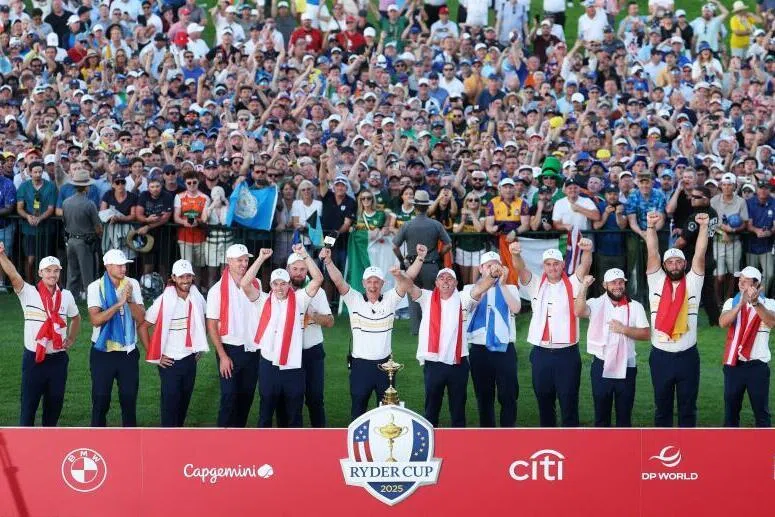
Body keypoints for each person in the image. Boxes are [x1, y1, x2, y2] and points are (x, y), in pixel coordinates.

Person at [394, 243, 501, 427]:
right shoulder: (427, 297)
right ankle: (430, 440)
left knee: (458, 409)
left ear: (456, 283)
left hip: (458, 362)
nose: (445, 281)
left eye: (449, 278)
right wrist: (399, 274)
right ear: (436, 283)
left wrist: (491, 275)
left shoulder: (463, 298)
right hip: (433, 362)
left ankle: (458, 442)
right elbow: (408, 285)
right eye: (441, 278)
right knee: (431, 408)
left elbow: (480, 288)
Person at [240, 244, 324, 427]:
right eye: (275, 284)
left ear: (289, 285)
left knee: (294, 414)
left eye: (283, 283)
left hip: (293, 366)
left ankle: (294, 446)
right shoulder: (262, 300)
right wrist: (260, 259)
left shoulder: (300, 299)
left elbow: (318, 279)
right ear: (270, 285)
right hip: (269, 364)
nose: (279, 288)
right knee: (265, 413)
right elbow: (245, 284)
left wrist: (304, 255)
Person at [515, 238, 593, 427]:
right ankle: (548, 439)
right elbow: (520, 269)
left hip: (567, 354)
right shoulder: (535, 283)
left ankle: (571, 439)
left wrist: (587, 250)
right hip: (541, 353)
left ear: (563, 265)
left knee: (569, 401)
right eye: (548, 264)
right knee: (544, 401)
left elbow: (584, 265)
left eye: (556, 263)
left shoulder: (573, 282)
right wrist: (515, 254)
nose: (552, 268)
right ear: (544, 266)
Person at [322, 253, 410, 419]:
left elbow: (406, 284)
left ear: (383, 283)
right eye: (369, 281)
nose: (373, 285)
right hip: (360, 366)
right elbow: (339, 281)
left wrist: (406, 270)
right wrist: (328, 261)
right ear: (363, 283)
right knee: (358, 408)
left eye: (376, 281)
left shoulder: (390, 299)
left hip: (386, 366)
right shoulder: (354, 299)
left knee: (387, 412)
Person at [0, 244, 80, 426]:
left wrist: (71, 338)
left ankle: (48, 441)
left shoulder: (66, 295)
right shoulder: (28, 292)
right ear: (40, 273)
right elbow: (13, 275)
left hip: (58, 360)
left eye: (56, 271)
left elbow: (76, 318)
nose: (52, 274)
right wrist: (1, 255)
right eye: (48, 271)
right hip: (34, 359)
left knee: (54, 407)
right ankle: (25, 442)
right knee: (28, 407)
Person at [644, 211, 710, 427]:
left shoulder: (693, 282)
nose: (674, 265)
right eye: (670, 262)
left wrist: (703, 227)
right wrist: (650, 226)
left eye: (678, 262)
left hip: (688, 357)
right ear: (664, 266)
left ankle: (687, 445)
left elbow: (700, 254)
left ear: (684, 264)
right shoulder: (656, 281)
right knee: (661, 408)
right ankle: (662, 446)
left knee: (688, 408)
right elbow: (652, 252)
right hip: (660, 356)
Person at [574, 268, 650, 427]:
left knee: (624, 416)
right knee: (601, 415)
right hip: (601, 364)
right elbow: (578, 311)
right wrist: (583, 287)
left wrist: (624, 329)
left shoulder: (635, 306)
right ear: (605, 285)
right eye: (613, 283)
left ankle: (624, 443)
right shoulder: (595, 303)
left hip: (627, 365)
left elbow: (645, 334)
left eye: (621, 282)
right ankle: (602, 443)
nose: (618, 286)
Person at [206, 244, 270, 428]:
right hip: (230, 349)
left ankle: (239, 435)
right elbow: (211, 325)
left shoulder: (256, 283)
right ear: (229, 261)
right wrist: (223, 356)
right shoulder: (216, 290)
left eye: (246, 260)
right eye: (239, 260)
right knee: (228, 396)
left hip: (253, 349)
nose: (244, 264)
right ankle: (222, 437)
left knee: (246, 396)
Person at [140, 259, 209, 427]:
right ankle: (167, 438)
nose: (186, 280)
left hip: (190, 359)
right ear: (173, 277)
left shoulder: (197, 297)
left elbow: (206, 320)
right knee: (170, 405)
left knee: (184, 403)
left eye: (188, 276)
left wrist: (199, 345)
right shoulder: (163, 300)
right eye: (182, 277)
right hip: (169, 361)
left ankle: (178, 437)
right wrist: (155, 355)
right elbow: (143, 327)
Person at [87, 249, 147, 427]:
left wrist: (129, 300)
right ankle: (97, 438)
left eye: (124, 265)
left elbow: (141, 317)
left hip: (128, 352)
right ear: (107, 266)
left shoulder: (132, 284)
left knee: (129, 400)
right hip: (103, 352)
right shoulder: (95, 287)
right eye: (119, 265)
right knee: (100, 400)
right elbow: (96, 320)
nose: (124, 269)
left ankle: (130, 440)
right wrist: (118, 304)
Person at [463, 249, 523, 427]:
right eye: (488, 266)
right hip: (480, 348)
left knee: (508, 394)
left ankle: (508, 431)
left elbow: (516, 308)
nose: (493, 269)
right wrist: (488, 282)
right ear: (481, 269)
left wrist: (502, 284)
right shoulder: (469, 289)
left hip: (505, 348)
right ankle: (487, 432)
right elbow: (470, 305)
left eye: (496, 265)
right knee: (483, 395)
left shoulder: (511, 288)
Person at [281, 251, 333, 427]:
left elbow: (330, 321)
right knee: (291, 398)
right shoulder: (279, 291)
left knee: (315, 398)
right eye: (294, 269)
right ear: (287, 269)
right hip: (288, 352)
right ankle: (291, 436)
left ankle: (320, 434)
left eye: (302, 269)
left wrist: (314, 316)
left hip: (312, 351)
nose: (298, 273)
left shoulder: (318, 292)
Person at [718, 266, 775, 427]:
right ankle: (730, 443)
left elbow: (771, 322)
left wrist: (755, 303)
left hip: (757, 366)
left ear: (756, 284)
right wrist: (740, 305)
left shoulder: (769, 303)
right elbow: (723, 322)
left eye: (746, 281)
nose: (740, 283)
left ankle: (764, 443)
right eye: (740, 280)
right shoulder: (731, 302)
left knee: (761, 413)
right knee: (731, 413)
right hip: (734, 365)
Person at [392, 189, 452, 335]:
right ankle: (431, 328)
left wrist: (402, 260)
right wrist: (439, 255)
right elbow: (448, 244)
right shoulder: (436, 225)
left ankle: (416, 329)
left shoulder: (407, 225)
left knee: (414, 298)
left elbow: (394, 246)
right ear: (427, 207)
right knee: (431, 298)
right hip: (431, 265)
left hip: (412, 266)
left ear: (415, 206)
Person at [675, 186, 720, 325]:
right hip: (708, 257)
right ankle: (715, 321)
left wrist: (672, 250)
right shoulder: (713, 213)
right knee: (708, 293)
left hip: (693, 259)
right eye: (692, 196)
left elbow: (682, 241)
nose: (692, 199)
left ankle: (684, 321)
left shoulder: (696, 217)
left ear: (706, 199)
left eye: (696, 197)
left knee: (687, 291)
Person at [62, 169, 102, 300]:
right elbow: (98, 227)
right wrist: (99, 234)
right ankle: (92, 300)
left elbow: (64, 221)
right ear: (86, 187)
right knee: (88, 274)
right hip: (85, 242)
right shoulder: (89, 204)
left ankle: (70, 299)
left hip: (71, 241)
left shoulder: (66, 202)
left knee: (72, 273)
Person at [485, 178, 530, 284]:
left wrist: (515, 232)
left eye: (510, 187)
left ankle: (515, 287)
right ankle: (497, 288)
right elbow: (488, 226)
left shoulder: (522, 203)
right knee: (496, 265)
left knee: (515, 265)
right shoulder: (493, 202)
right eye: (505, 187)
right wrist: (494, 229)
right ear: (500, 189)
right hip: (496, 241)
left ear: (514, 189)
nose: (508, 190)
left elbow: (526, 225)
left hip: (516, 241)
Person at [745, 181, 775, 296]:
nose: (763, 190)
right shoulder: (749, 202)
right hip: (751, 245)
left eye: (766, 188)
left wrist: (770, 231)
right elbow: (748, 224)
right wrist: (756, 230)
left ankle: (760, 298)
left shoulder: (773, 202)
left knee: (769, 274)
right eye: (761, 188)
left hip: (767, 246)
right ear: (757, 189)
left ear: (769, 189)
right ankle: (750, 299)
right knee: (751, 276)